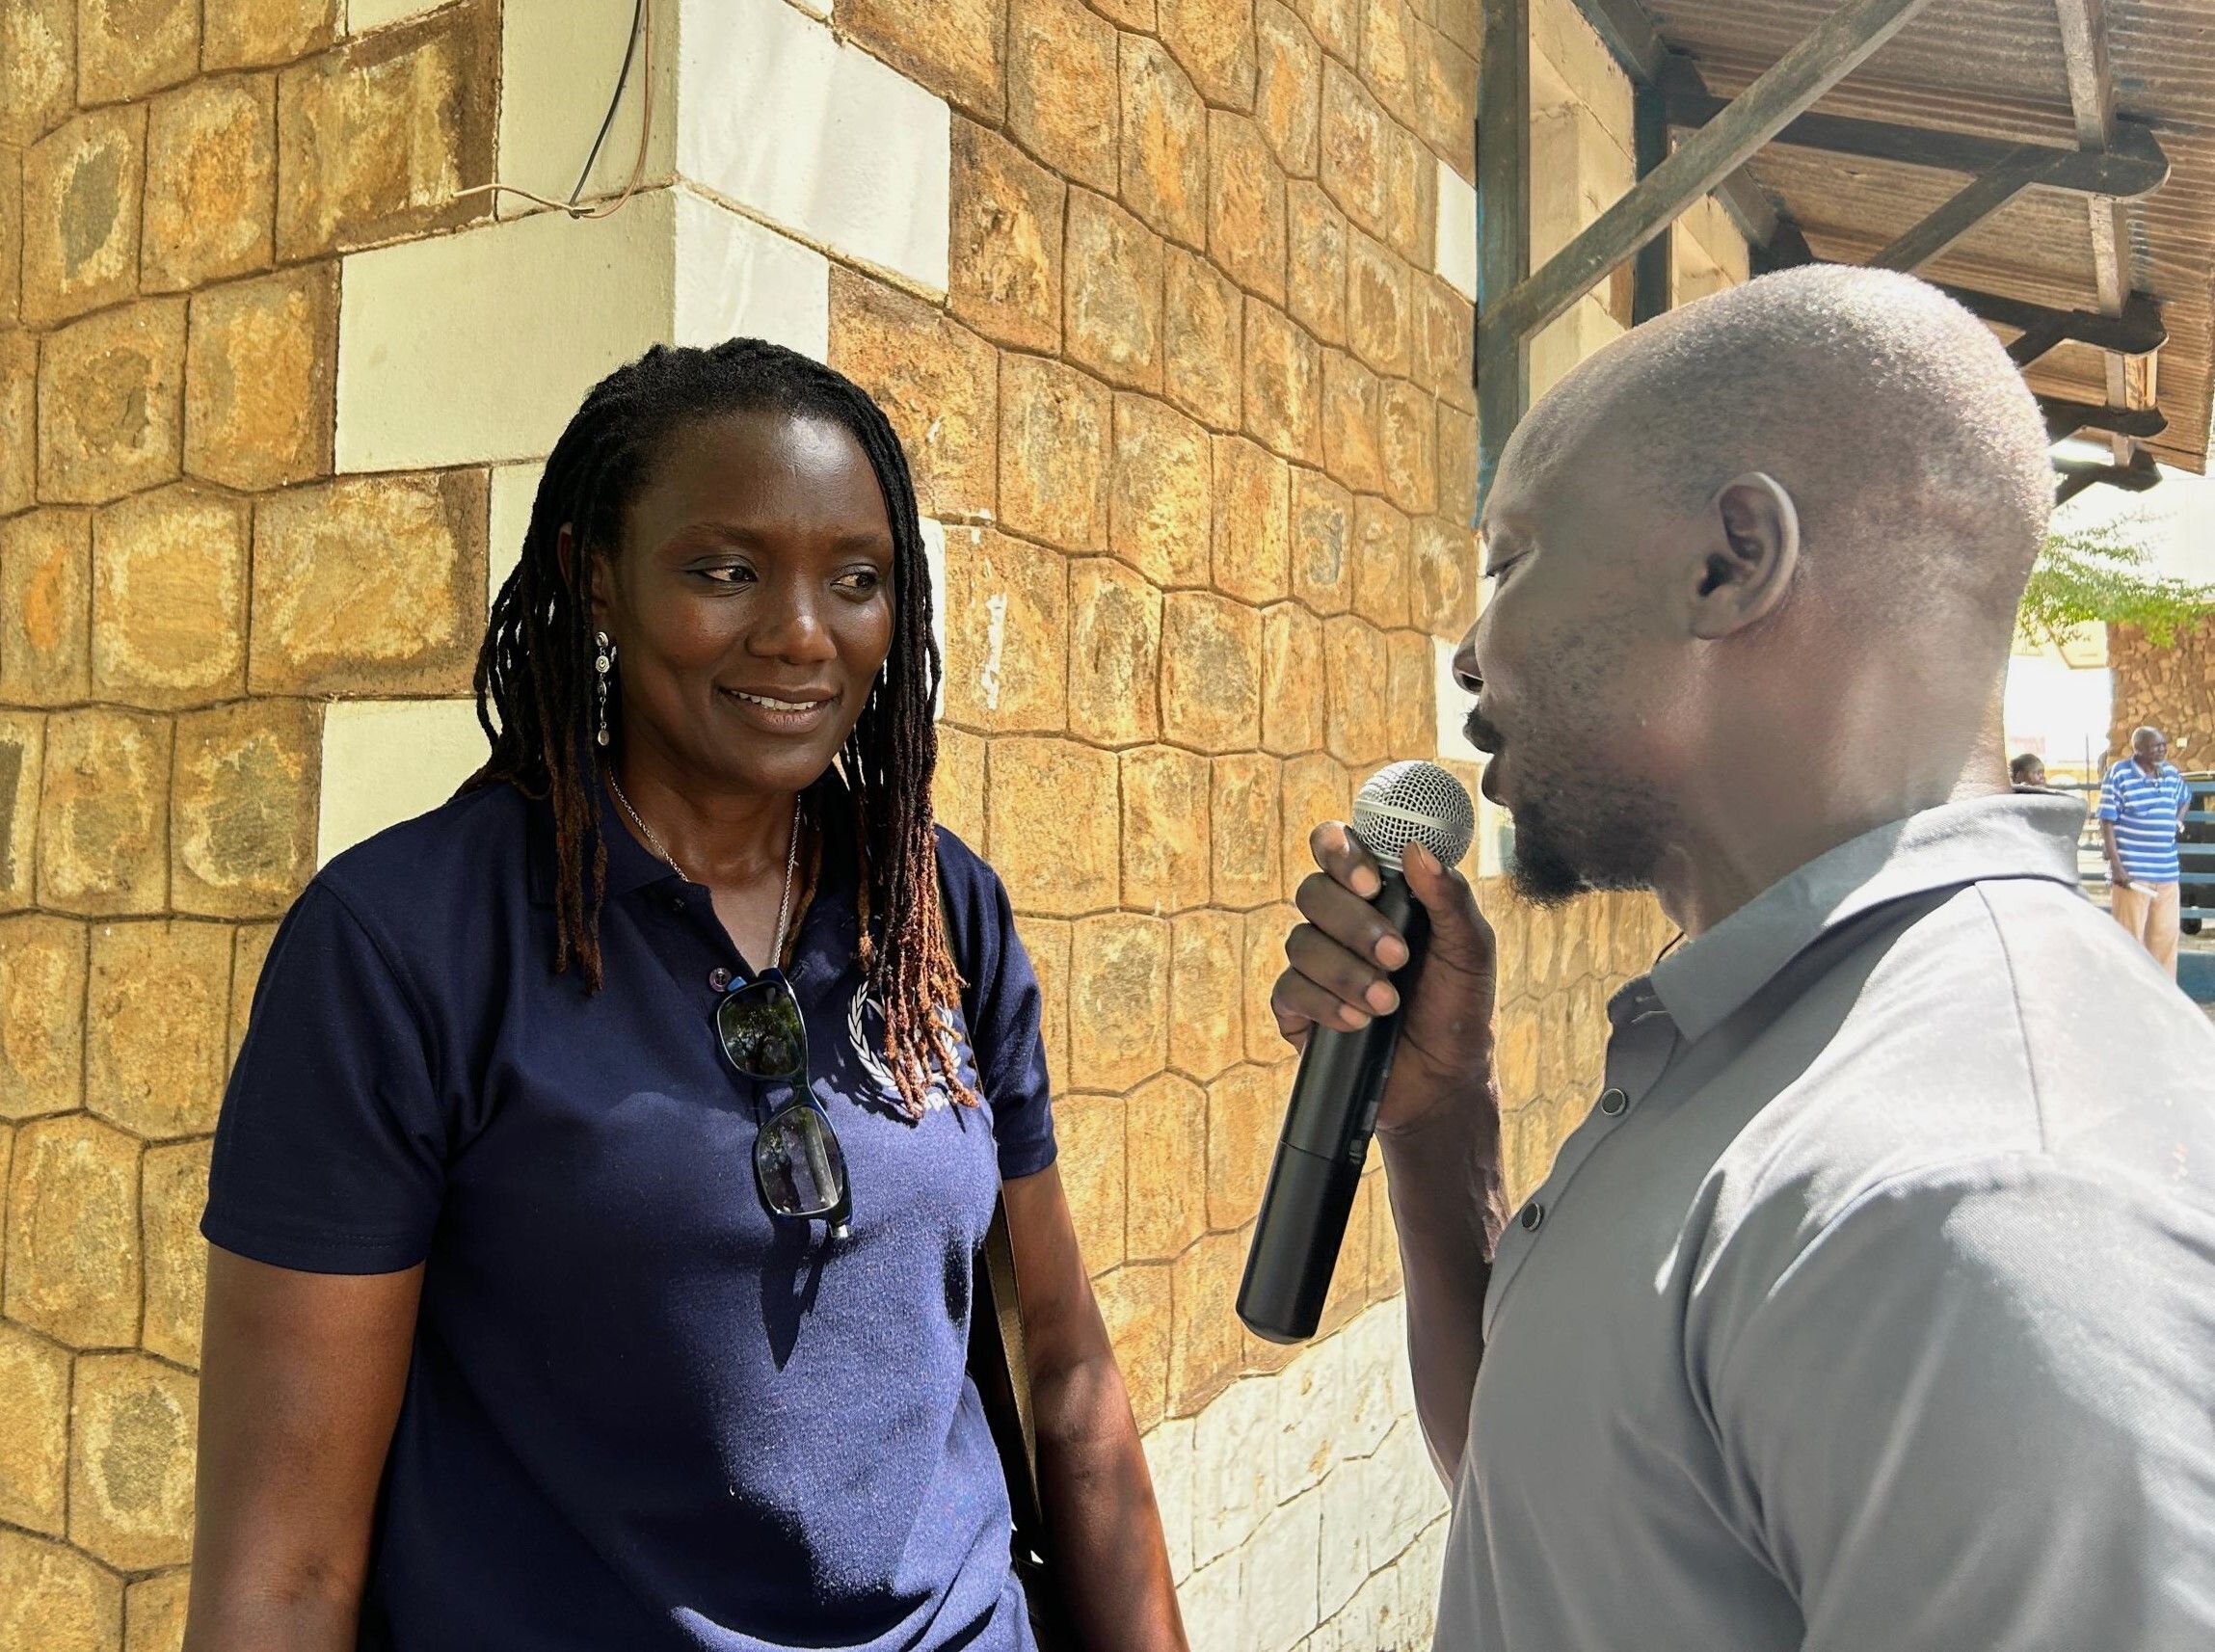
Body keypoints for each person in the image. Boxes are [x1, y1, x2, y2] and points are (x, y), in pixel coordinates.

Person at [187, 341, 1186, 1652]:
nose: (798, 633)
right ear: (593, 577)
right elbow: (288, 1562)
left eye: (855, 580)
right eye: (725, 570)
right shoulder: (403, 946)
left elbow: (1069, 1385)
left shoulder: (938, 916)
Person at [1272, 266, 2215, 1650]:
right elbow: (1567, 1536)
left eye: (1513, 558)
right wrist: (1434, 1131)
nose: (1471, 655)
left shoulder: (1979, 1194)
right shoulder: (1758, 1043)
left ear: (1728, 561)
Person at [2100, 724, 2193, 976]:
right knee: (2129, 942)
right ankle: (2129, 998)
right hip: (2132, 876)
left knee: (2164, 941)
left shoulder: (2171, 774)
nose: (2163, 749)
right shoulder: (2118, 774)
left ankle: (2163, 1000)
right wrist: (2117, 867)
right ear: (2138, 749)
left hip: (2166, 873)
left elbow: (2186, 796)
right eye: (2156, 745)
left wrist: (2178, 821)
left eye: (2164, 744)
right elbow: (2107, 821)